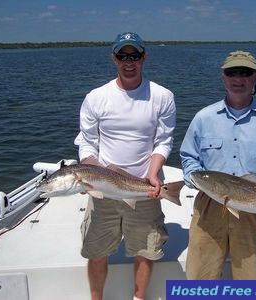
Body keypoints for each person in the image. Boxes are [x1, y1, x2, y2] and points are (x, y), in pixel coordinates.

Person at [180, 50, 256, 280]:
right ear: (223, 77)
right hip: (210, 204)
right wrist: (196, 180)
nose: (238, 78)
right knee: (199, 278)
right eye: (232, 72)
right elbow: (188, 157)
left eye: (245, 72)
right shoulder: (203, 118)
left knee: (252, 280)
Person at [74, 32, 176, 300]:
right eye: (122, 56)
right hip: (104, 189)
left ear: (144, 58)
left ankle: (138, 298)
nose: (128, 62)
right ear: (113, 58)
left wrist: (153, 174)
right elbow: (87, 143)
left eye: (134, 56)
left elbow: (163, 142)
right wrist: (93, 173)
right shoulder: (96, 97)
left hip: (144, 187)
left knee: (145, 251)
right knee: (97, 252)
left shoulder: (162, 96)